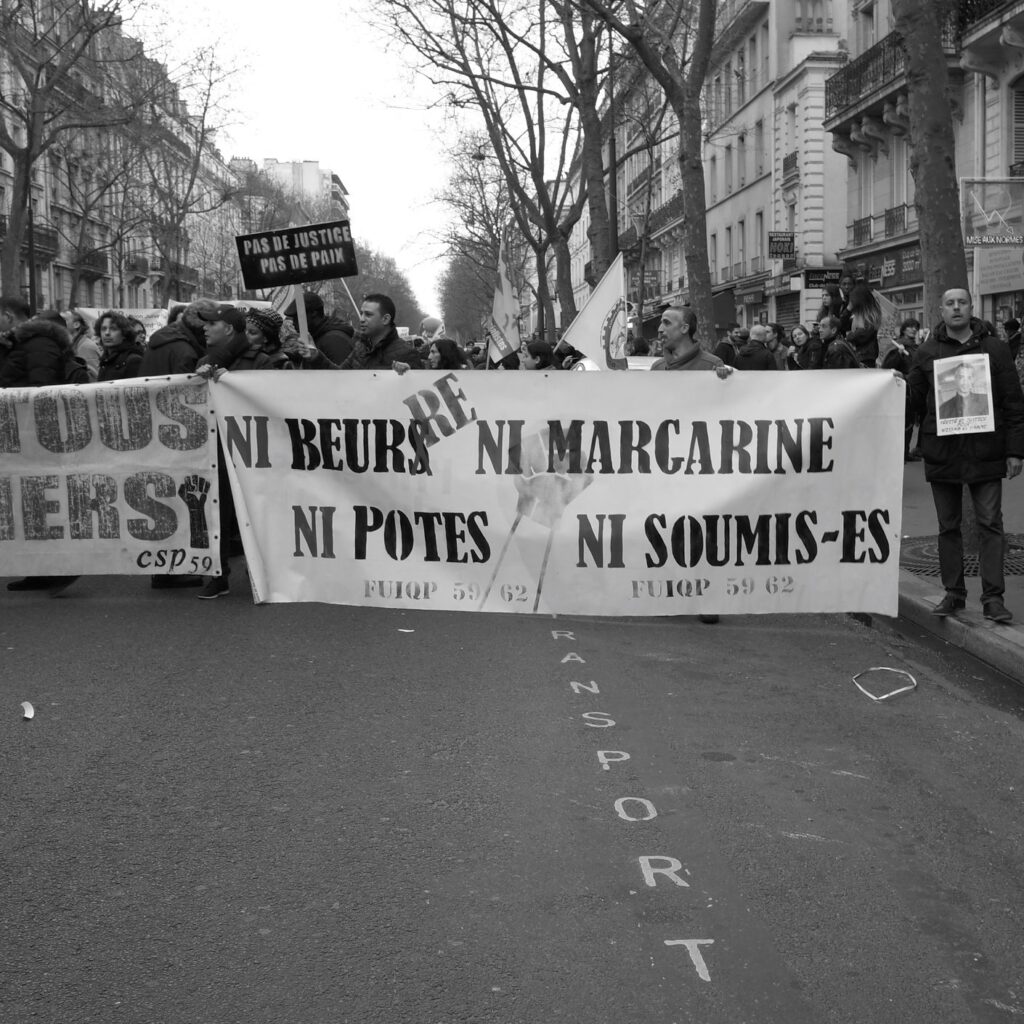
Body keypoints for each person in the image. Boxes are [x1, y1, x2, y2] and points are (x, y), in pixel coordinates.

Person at [907, 287, 1024, 623]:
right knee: (948, 527)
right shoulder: (927, 352)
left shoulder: (995, 349)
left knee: (991, 525)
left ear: (971, 308)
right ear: (940, 311)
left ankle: (993, 600)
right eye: (949, 304)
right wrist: (896, 384)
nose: (956, 308)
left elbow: (1013, 402)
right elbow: (915, 399)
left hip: (986, 450)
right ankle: (954, 594)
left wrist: (1015, 451)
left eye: (962, 303)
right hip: (943, 452)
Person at [651, 304, 732, 624]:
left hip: (701, 463)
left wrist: (729, 382)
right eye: (660, 323)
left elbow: (734, 408)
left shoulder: (713, 366)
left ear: (686, 329)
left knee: (700, 530)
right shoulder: (657, 368)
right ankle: (669, 588)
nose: (660, 328)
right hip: (662, 462)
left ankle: (707, 595)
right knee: (664, 526)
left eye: (667, 323)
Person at [1, 300, 81, 593]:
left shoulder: (39, 344)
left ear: (8, 316)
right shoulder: (21, 345)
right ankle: (39, 570)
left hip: (34, 437)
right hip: (21, 437)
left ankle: (60, 568)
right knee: (29, 505)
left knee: (43, 502)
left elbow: (41, 390)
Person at [337, 293, 424, 371]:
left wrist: (409, 374)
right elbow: (339, 376)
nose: (362, 319)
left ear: (385, 319)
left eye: (368, 314)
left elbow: (418, 386)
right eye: (361, 314)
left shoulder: (408, 354)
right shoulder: (360, 348)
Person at [881, 318, 923, 460]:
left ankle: (905, 453)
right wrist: (898, 354)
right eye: (910, 327)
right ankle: (897, 454)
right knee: (901, 423)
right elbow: (887, 367)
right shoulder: (897, 346)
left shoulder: (915, 347)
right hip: (900, 389)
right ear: (904, 329)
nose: (913, 330)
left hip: (912, 388)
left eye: (915, 327)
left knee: (910, 422)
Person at [284, 291, 355, 365]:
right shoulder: (318, 337)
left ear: (314, 313)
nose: (294, 322)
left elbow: (343, 375)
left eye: (297, 317)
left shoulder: (334, 341)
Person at [95, 310, 145, 382]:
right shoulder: (105, 360)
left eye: (113, 329)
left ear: (124, 334)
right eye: (103, 329)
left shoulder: (133, 361)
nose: (107, 333)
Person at [845, 282, 881, 367]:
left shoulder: (870, 316)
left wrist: (849, 336)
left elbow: (861, 335)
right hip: (859, 355)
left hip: (865, 356)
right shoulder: (857, 315)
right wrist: (847, 309)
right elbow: (842, 324)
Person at [68, 310, 101, 381]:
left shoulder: (86, 346)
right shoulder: (72, 345)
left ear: (76, 324)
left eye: (64, 319)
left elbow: (94, 378)